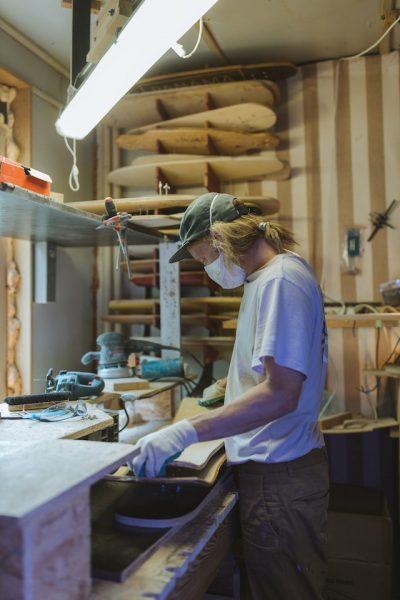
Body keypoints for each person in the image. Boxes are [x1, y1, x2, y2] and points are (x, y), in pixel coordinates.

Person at [131, 192, 329, 600]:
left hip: (280, 474)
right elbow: (279, 369)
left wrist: (183, 432)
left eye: (204, 259)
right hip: (275, 471)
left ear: (221, 237)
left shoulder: (279, 281)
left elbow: (281, 394)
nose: (207, 271)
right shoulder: (266, 279)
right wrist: (230, 386)